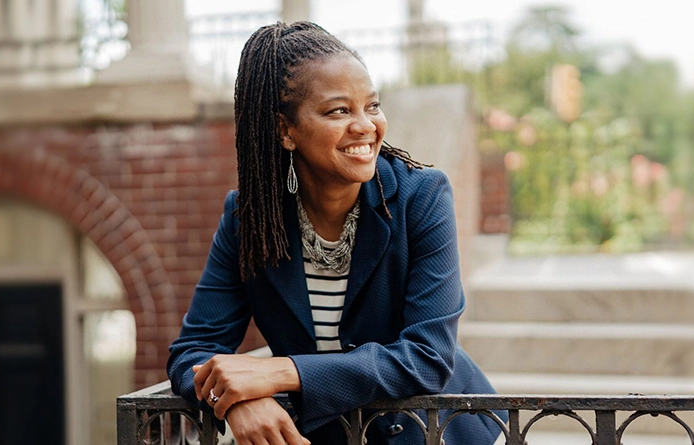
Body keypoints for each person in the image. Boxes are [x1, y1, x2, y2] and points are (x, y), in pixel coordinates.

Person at [167, 21, 504, 444]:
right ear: (285, 130)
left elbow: (427, 357)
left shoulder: (422, 197)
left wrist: (279, 373)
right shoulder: (249, 218)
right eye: (339, 110)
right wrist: (238, 400)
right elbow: (192, 350)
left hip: (436, 432)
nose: (365, 126)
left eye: (373, 105)